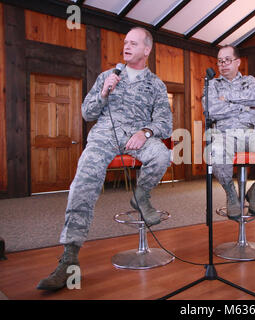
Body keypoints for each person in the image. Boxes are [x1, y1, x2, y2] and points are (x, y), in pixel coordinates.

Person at [37, 27, 172, 291]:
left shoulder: (156, 84)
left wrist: (146, 132)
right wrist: (104, 93)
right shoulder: (107, 76)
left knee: (161, 153)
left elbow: (165, 122)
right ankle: (69, 258)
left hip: (136, 136)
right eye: (125, 43)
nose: (127, 46)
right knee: (83, 182)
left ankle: (141, 196)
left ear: (147, 49)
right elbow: (87, 113)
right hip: (104, 137)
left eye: (134, 43)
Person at [203, 45, 255, 220]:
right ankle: (231, 194)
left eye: (227, 60)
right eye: (220, 61)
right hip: (225, 134)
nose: (223, 64)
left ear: (238, 61)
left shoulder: (250, 81)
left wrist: (227, 99)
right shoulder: (212, 85)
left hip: (253, 133)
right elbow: (212, 110)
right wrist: (244, 105)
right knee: (216, 153)